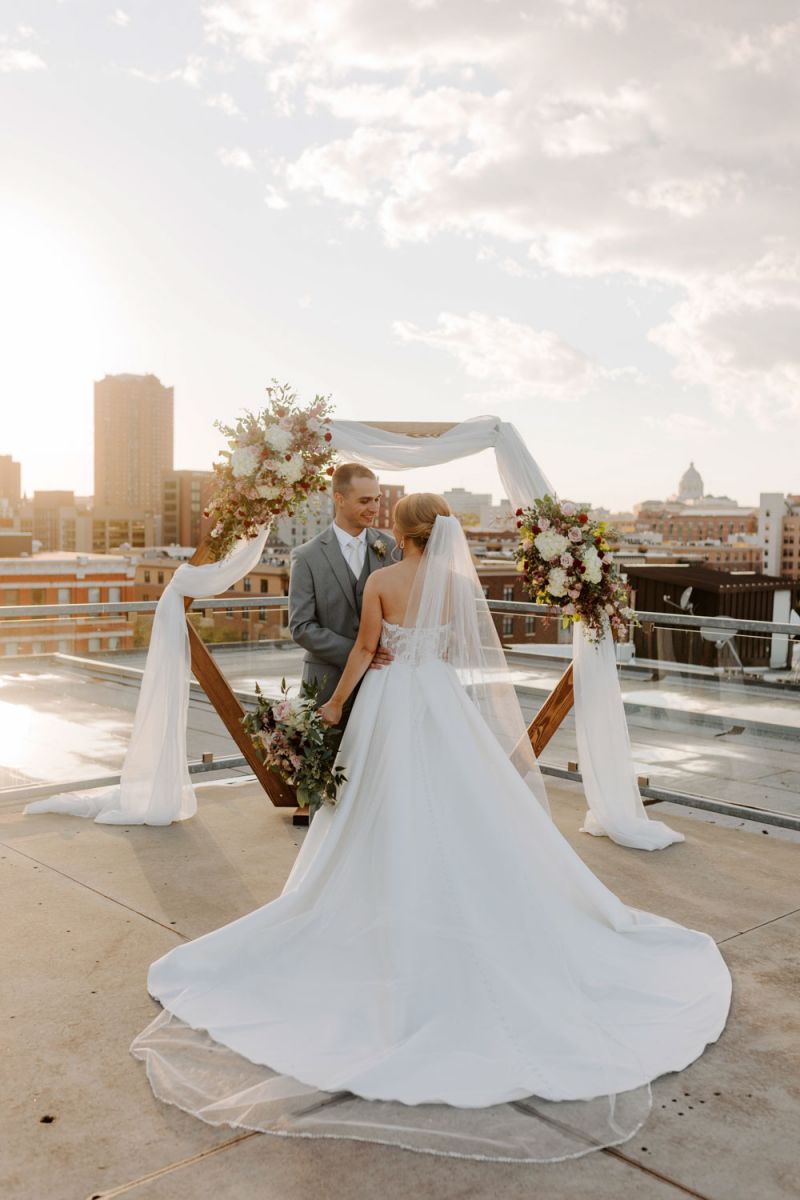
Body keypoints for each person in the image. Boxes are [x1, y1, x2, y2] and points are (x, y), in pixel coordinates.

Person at [131, 493, 731, 1163]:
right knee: (461, 804)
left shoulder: (382, 581)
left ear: (400, 530)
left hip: (389, 704)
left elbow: (365, 650)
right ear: (442, 531)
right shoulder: (457, 584)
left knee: (379, 805)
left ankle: (388, 900)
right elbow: (460, 649)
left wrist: (334, 705)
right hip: (442, 701)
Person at [288, 463, 395, 819]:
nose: (374, 508)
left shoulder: (390, 548)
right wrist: (361, 653)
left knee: (376, 774)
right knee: (322, 780)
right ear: (339, 498)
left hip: (383, 682)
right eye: (365, 500)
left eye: (377, 499)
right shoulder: (306, 556)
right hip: (326, 683)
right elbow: (301, 626)